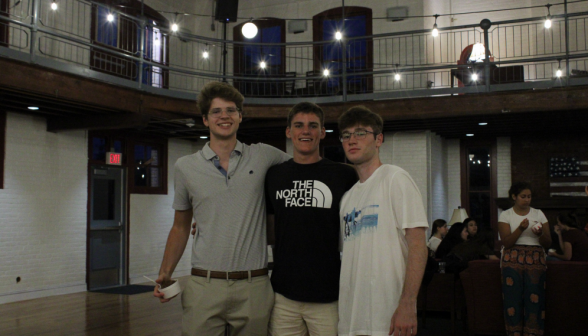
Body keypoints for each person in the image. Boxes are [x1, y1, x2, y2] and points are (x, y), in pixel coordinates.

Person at [153, 81, 290, 336]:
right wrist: (165, 272)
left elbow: (305, 169)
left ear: (240, 116)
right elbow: (180, 226)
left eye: (231, 110)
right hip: (204, 286)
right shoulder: (185, 166)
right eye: (216, 111)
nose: (224, 116)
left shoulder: (264, 156)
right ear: (205, 119)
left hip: (254, 286)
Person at [264, 102, 357, 336]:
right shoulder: (274, 175)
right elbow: (259, 220)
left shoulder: (344, 175)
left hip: (328, 295)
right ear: (288, 131)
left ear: (323, 132)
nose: (306, 131)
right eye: (299, 125)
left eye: (313, 126)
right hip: (283, 296)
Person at [337, 106, 428, 336]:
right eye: (346, 135)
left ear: (379, 139)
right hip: (352, 318)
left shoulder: (395, 179)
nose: (352, 140)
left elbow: (418, 245)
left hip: (388, 316)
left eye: (360, 133)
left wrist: (408, 305)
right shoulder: (348, 198)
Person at [498, 182, 551, 336]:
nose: (527, 200)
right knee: (512, 298)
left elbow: (548, 242)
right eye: (523, 196)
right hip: (512, 258)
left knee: (535, 298)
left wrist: (540, 234)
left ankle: (533, 332)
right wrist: (521, 228)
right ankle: (513, 332)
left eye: (529, 197)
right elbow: (506, 242)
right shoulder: (506, 215)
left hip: (535, 258)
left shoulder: (538, 213)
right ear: (514, 197)